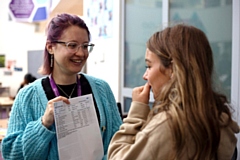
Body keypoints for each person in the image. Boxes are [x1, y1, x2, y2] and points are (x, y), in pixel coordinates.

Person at [107, 24, 239, 160]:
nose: (145, 76)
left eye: (149, 66)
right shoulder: (221, 120)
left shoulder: (167, 126)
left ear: (173, 69)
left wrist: (136, 113)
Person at [2, 13, 122, 160]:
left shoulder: (101, 89)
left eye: (85, 46)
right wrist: (43, 124)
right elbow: (11, 154)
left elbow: (119, 142)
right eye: (72, 45)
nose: (81, 53)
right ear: (50, 47)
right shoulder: (27, 96)